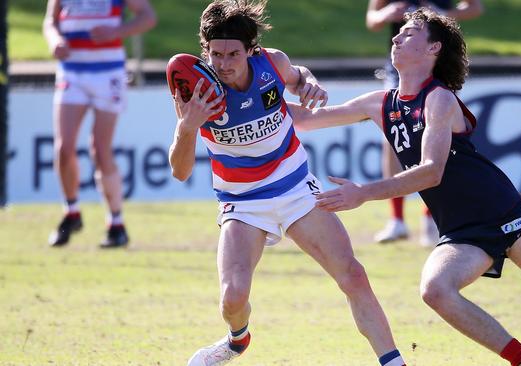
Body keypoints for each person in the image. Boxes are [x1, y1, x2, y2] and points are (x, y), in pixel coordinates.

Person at [290, 9, 521, 365]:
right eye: (398, 33)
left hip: (503, 213)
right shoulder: (380, 103)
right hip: (462, 231)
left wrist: (362, 193)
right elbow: (305, 119)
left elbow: (431, 172)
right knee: (436, 290)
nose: (396, 37)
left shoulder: (439, 99)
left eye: (409, 33)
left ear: (433, 49)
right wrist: (262, 84)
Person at [168, 1, 407, 366]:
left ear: (252, 50)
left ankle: (394, 362)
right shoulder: (195, 91)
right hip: (242, 203)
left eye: (234, 54)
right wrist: (187, 128)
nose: (224, 64)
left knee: (353, 276)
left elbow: (299, 77)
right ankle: (237, 341)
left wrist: (310, 84)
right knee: (232, 298)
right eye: (216, 54)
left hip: (295, 189)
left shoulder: (272, 63)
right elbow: (180, 171)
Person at [366, 0, 483, 246]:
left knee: (437, 138)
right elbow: (372, 20)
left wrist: (442, 15)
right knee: (392, 136)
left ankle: (432, 217)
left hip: (434, 65)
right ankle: (396, 219)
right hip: (400, 70)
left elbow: (474, 8)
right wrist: (387, 14)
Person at [43, 0, 156, 248]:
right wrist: (54, 41)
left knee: (100, 149)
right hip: (71, 71)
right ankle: (71, 212)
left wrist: (115, 32)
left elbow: (147, 17)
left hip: (108, 74)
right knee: (64, 148)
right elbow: (50, 21)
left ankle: (116, 223)